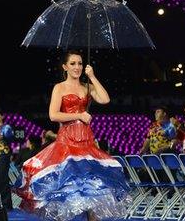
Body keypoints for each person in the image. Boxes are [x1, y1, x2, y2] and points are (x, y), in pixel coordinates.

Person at [16, 51, 129, 221]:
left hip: (86, 145)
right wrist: (79, 115)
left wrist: (93, 77)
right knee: (65, 193)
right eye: (73, 63)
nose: (77, 67)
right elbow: (53, 115)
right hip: (66, 144)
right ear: (65, 67)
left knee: (92, 194)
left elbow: (105, 99)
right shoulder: (59, 87)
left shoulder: (87, 86)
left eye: (80, 63)